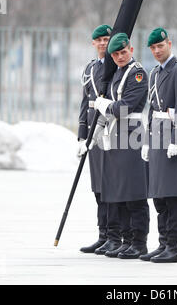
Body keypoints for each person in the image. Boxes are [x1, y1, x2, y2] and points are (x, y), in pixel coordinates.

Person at [93, 32, 150, 259]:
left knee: (135, 192)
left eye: (123, 52)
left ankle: (139, 241)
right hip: (116, 133)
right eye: (115, 54)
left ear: (131, 50)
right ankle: (126, 239)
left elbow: (125, 107)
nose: (119, 56)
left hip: (131, 133)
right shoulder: (118, 73)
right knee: (121, 191)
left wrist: (105, 105)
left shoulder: (137, 74)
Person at [140, 27, 177, 263]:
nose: (157, 51)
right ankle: (163, 243)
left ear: (169, 44)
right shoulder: (155, 73)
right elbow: (152, 109)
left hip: (172, 138)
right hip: (157, 138)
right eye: (153, 48)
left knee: (172, 195)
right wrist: (146, 140)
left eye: (160, 46)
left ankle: (174, 246)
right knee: (159, 195)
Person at [77, 24, 114, 253]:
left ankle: (114, 233)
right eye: (98, 40)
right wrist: (81, 136)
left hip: (109, 132)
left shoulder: (116, 67)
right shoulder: (90, 69)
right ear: (93, 43)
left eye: (106, 39)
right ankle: (103, 233)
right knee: (97, 186)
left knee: (110, 185)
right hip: (92, 133)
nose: (102, 43)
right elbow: (85, 103)